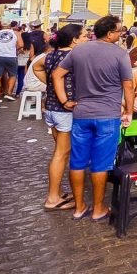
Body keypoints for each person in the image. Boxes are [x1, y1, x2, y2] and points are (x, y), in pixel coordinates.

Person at [53, 15, 133, 222]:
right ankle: (98, 208)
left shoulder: (78, 50)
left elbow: (57, 74)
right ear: (109, 33)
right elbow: (128, 86)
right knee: (101, 164)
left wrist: (64, 100)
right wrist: (129, 112)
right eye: (118, 31)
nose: (121, 34)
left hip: (81, 115)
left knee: (77, 162)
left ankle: (79, 207)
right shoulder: (120, 54)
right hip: (108, 116)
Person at [36, 23, 85, 210]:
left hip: (51, 108)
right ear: (74, 39)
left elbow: (36, 68)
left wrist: (49, 85)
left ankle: (57, 191)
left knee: (61, 151)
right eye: (83, 37)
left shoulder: (50, 55)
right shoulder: (74, 57)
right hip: (65, 110)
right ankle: (53, 197)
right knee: (61, 153)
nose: (87, 40)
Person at [0, 21, 21, 102]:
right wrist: (14, 50)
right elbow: (21, 45)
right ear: (10, 26)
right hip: (11, 57)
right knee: (12, 75)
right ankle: (9, 93)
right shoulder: (16, 33)